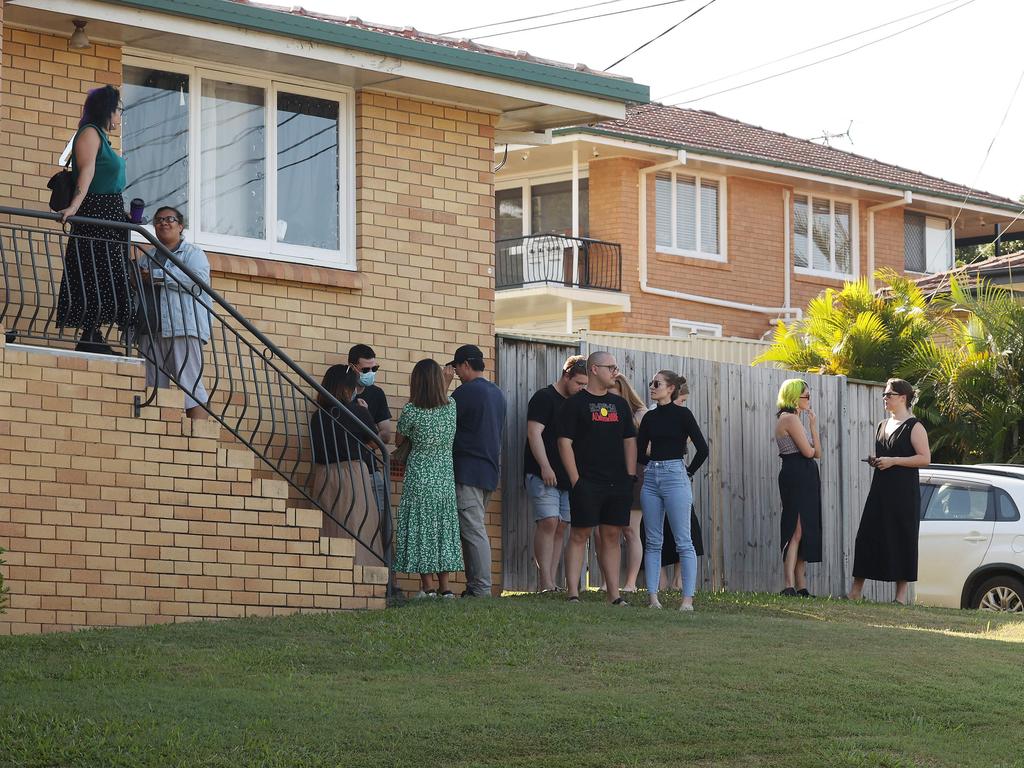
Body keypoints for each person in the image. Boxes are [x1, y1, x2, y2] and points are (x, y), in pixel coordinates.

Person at [557, 351, 637, 606]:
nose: (615, 372)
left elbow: (629, 441)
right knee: (580, 534)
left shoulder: (621, 406)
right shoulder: (574, 404)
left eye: (615, 367)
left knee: (612, 536)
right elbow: (564, 443)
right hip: (586, 482)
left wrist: (630, 475)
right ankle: (573, 593)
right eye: (610, 367)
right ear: (594, 369)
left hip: (618, 483)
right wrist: (576, 480)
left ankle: (614, 594)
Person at [56, 85, 131, 355]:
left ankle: (93, 334)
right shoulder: (89, 133)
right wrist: (74, 206)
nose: (120, 116)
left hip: (109, 213)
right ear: (107, 109)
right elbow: (85, 174)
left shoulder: (100, 136)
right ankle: (89, 334)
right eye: (118, 110)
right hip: (95, 213)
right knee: (94, 272)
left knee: (106, 273)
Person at [849, 378, 931, 605]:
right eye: (885, 395)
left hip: (904, 493)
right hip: (880, 489)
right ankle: (855, 592)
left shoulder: (915, 426)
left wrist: (894, 460)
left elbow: (925, 458)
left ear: (903, 398)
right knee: (867, 535)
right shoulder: (882, 425)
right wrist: (878, 461)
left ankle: (900, 598)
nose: (885, 398)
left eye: (889, 395)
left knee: (902, 538)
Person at [637, 370, 709, 610]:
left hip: (676, 476)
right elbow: (639, 451)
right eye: (651, 383)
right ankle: (653, 599)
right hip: (651, 479)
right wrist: (652, 466)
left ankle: (687, 600)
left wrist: (687, 472)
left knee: (683, 541)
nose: (652, 387)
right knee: (653, 540)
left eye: (657, 383)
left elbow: (702, 449)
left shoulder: (683, 415)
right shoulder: (649, 418)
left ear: (670, 389)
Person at [394, 359, 463, 599]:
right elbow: (439, 402)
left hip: (419, 477)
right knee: (442, 528)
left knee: (421, 528)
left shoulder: (411, 411)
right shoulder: (451, 406)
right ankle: (445, 587)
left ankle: (428, 585)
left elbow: (398, 440)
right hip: (444, 477)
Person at [137, 206, 211, 420]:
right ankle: (156, 439)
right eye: (159, 220)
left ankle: (200, 440)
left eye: (170, 219)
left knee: (191, 387)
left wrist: (156, 276)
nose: (164, 223)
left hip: (183, 328)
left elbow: (197, 281)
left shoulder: (192, 253)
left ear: (181, 226)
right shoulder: (146, 257)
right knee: (153, 389)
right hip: (150, 329)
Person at [444, 344, 506, 598]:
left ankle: (480, 588)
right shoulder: (497, 393)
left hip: (467, 470)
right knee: (472, 529)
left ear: (465, 365)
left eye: (457, 367)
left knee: (472, 530)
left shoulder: (464, 393)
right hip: (489, 471)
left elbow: (440, 418)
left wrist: (443, 386)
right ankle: (473, 586)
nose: (456, 372)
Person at [524, 354, 589, 592]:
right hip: (542, 472)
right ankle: (546, 582)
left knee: (562, 525)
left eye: (585, 385)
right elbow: (534, 433)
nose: (582, 388)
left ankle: (552, 581)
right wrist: (545, 466)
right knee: (549, 521)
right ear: (566, 375)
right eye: (579, 383)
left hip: (567, 476)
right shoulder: (544, 397)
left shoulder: (578, 403)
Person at [310, 365, 381, 566]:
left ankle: (330, 572)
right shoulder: (357, 411)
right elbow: (377, 441)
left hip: (323, 475)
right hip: (351, 474)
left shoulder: (318, 416)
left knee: (329, 527)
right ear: (347, 388)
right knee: (358, 527)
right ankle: (361, 573)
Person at [774, 379, 822, 597]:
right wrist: (811, 437)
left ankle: (801, 586)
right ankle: (788, 584)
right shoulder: (790, 419)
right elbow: (808, 452)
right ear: (794, 397)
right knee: (796, 529)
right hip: (797, 474)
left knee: (804, 530)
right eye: (806, 396)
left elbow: (817, 454)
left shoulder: (797, 420)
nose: (808, 400)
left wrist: (813, 427)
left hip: (805, 474)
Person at [606, 373, 648, 593]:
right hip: (609, 474)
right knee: (605, 530)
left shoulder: (641, 414)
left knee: (631, 531)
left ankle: (631, 583)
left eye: (614, 395)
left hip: (636, 475)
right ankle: (607, 581)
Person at [348, 344, 392, 515]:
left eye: (375, 368)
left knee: (379, 517)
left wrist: (368, 441)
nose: (371, 373)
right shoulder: (340, 393)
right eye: (366, 370)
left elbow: (386, 435)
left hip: (371, 468)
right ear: (352, 368)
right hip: (346, 468)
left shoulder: (376, 394)